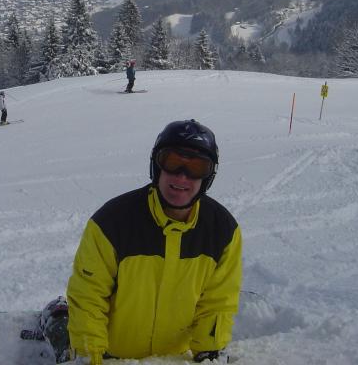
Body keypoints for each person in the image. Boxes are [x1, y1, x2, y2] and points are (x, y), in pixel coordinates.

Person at [66, 119, 243, 364]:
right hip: (112, 355)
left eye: (197, 167)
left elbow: (217, 302)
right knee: (67, 338)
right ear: (156, 166)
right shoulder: (112, 222)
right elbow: (89, 297)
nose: (182, 177)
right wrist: (89, 356)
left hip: (174, 356)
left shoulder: (222, 231)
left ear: (208, 176)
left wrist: (209, 353)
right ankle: (58, 319)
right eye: (172, 162)